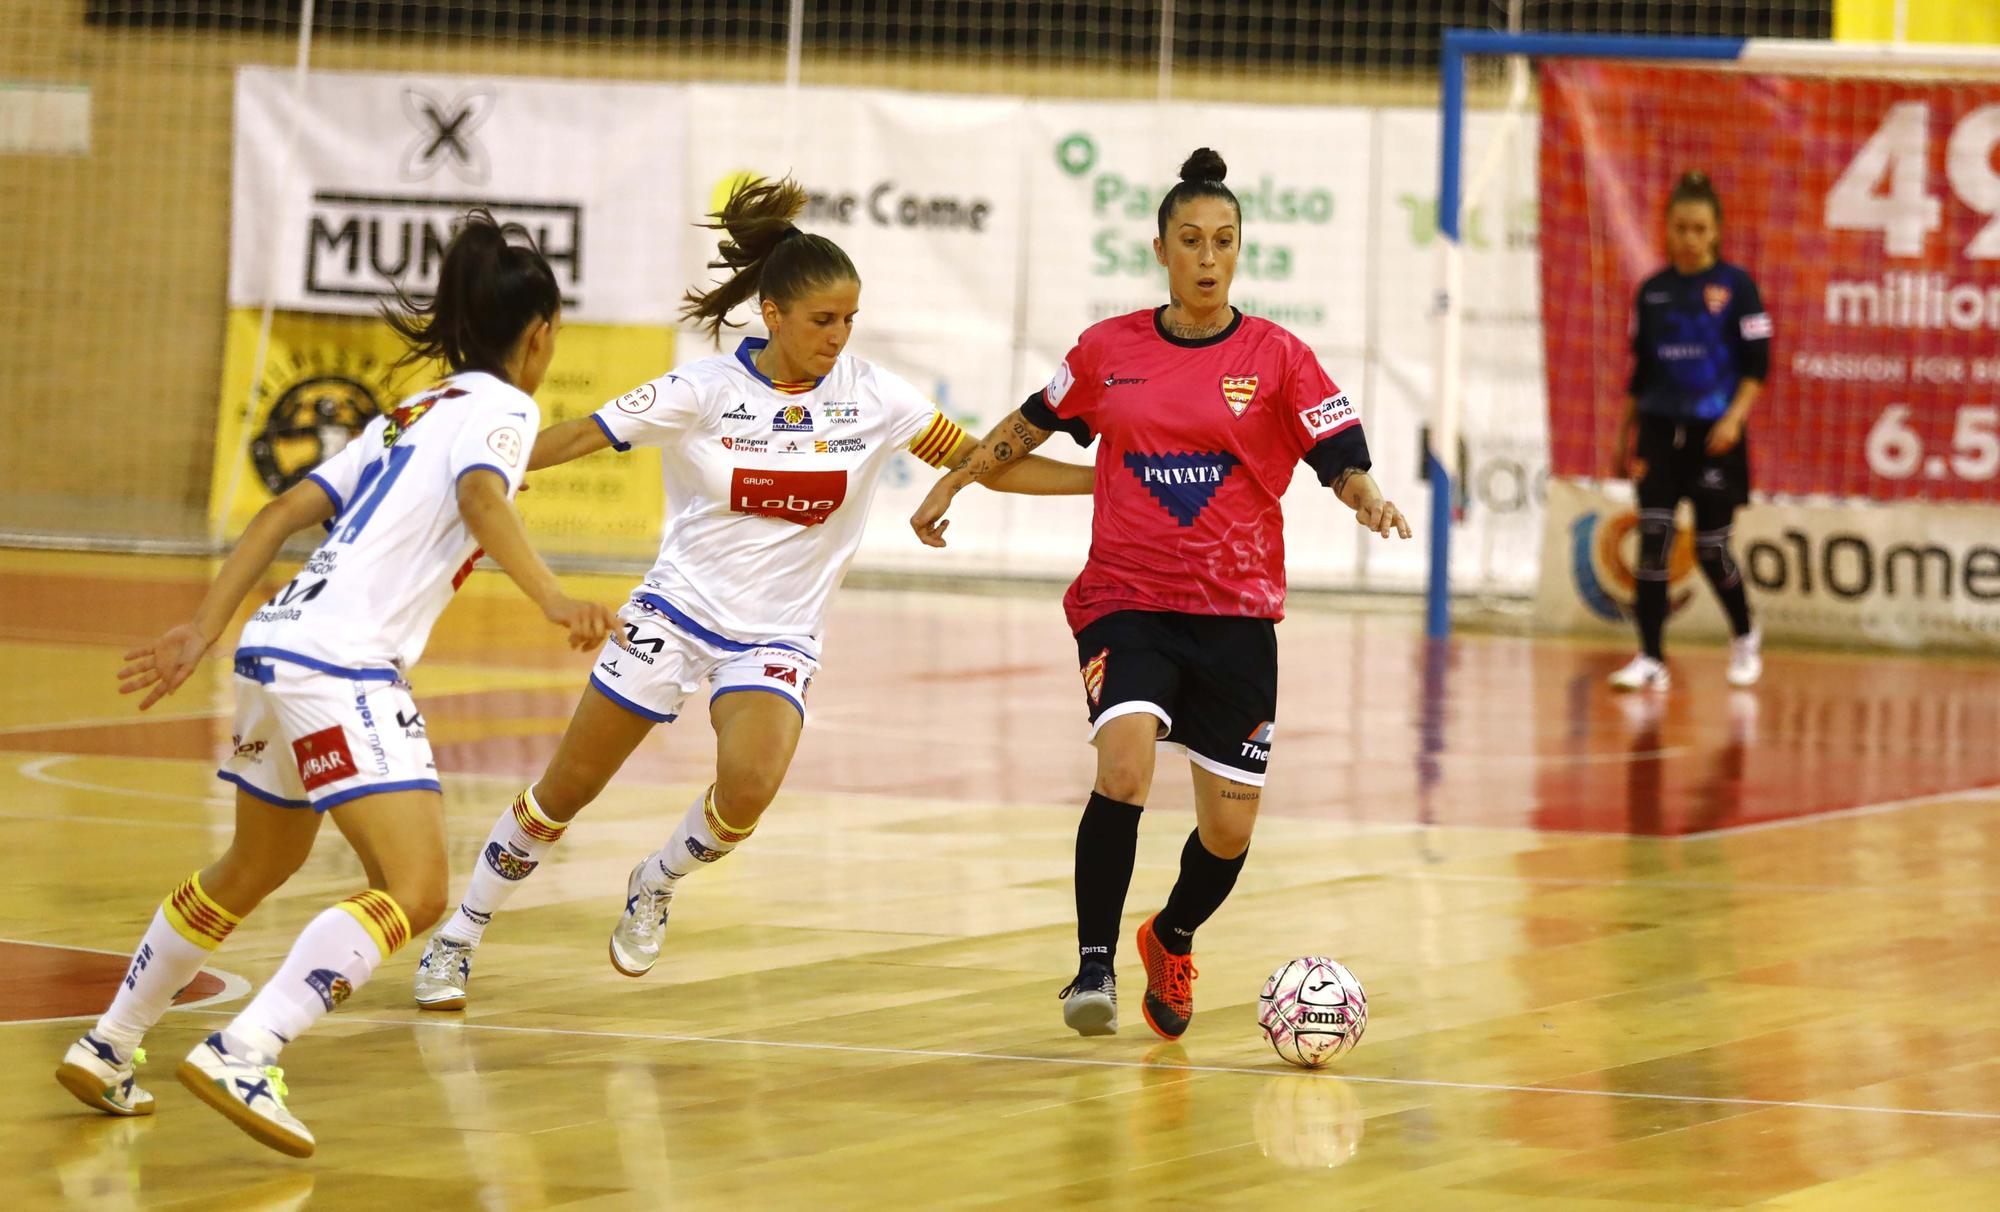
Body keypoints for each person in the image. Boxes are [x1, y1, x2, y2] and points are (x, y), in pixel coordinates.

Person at [410, 176, 1093, 1008]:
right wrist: (466, 461)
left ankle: (655, 882)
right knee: (566, 790)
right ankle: (457, 937)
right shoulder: (701, 392)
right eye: (822, 321)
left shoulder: (877, 396)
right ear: (773, 314)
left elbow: (985, 459)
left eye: (849, 320)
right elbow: (582, 434)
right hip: (677, 612)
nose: (839, 338)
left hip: (776, 636)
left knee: (749, 790)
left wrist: (1106, 480)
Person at [55, 212, 615, 1157]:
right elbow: (483, 498)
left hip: (275, 645)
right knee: (418, 888)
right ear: (541, 334)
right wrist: (556, 598)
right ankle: (249, 1046)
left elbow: (279, 511)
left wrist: (202, 629)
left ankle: (110, 1043)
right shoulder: (504, 413)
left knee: (254, 866)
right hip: (343, 661)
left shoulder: (414, 412)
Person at [910, 148, 1412, 1042]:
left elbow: (1338, 448)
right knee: (1126, 765)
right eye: (1191, 240)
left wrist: (1365, 492)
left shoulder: (1279, 356)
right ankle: (1092, 965)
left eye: (1224, 242)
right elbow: (1030, 423)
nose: (1209, 257)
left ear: (1238, 251)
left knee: (1227, 833)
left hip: (1237, 616)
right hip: (1127, 599)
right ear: (1161, 250)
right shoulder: (1108, 353)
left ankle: (1169, 935)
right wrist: (956, 481)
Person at [1608, 170, 1769, 692]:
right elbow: (1640, 371)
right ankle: (1651, 657)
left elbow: (1758, 364)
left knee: (1710, 548)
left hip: (1715, 435)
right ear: (1667, 229)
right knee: (1652, 541)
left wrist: (1733, 418)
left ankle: (1745, 636)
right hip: (1659, 429)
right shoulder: (1652, 292)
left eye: (1699, 228)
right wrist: (1623, 435)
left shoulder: (1737, 287)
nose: (1689, 237)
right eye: (1680, 227)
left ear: (1715, 231)